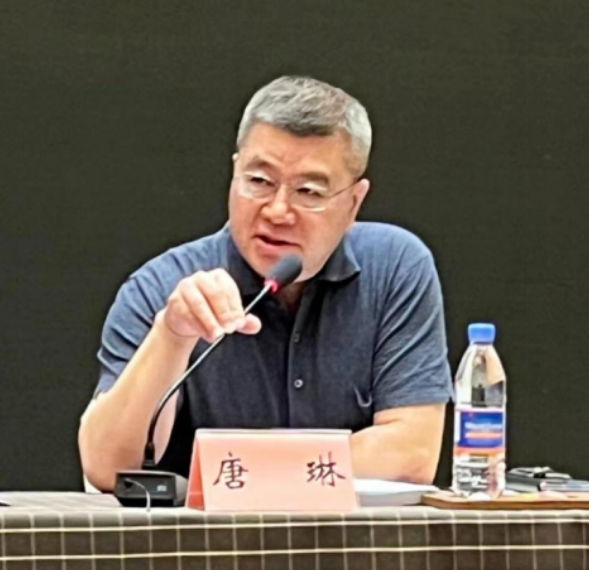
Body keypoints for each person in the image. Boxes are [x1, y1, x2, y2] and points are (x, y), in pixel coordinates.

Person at [79, 76, 453, 491]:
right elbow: (108, 468)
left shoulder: (394, 267)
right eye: (258, 182)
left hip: (346, 534)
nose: (277, 211)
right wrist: (172, 337)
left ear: (353, 203)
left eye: (308, 191)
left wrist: (238, 472)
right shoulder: (162, 287)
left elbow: (411, 454)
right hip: (204, 534)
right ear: (234, 173)